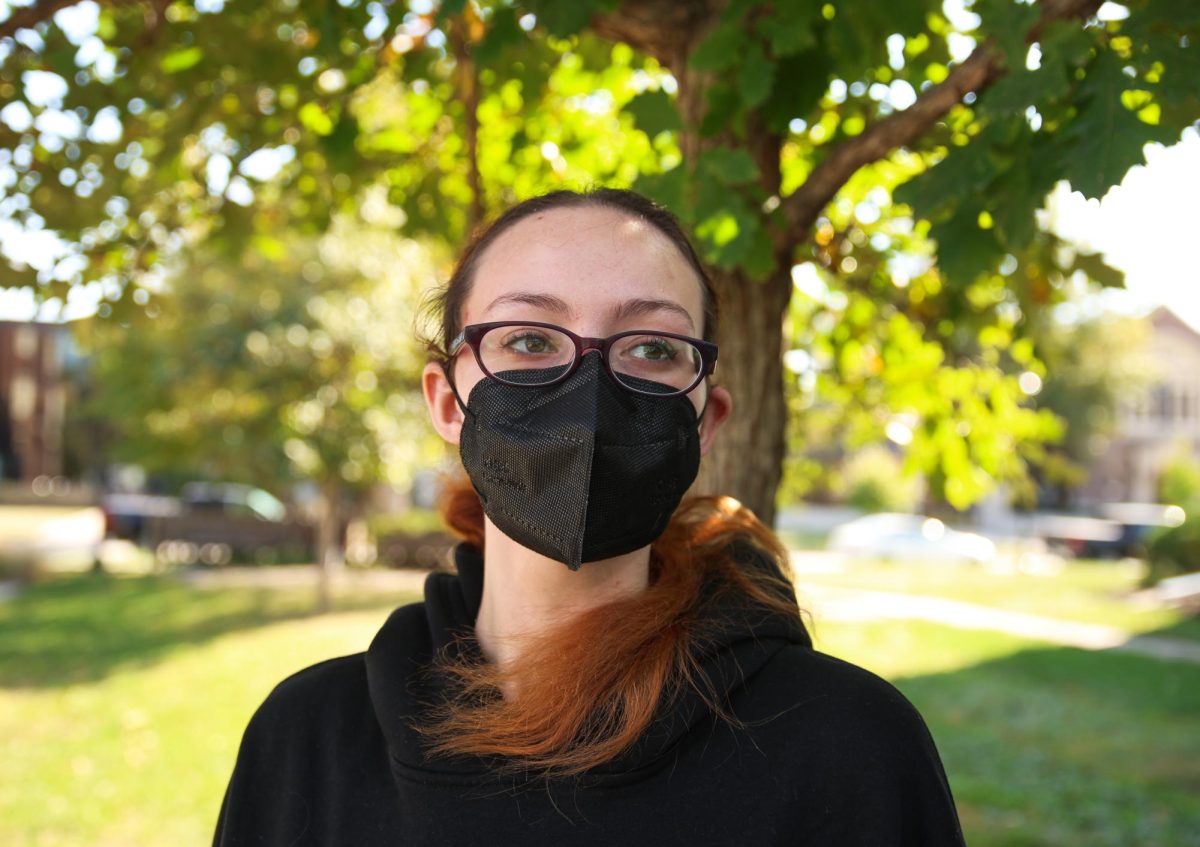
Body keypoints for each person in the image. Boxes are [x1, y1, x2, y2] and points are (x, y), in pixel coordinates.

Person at [213, 188, 967, 846]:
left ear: (706, 422)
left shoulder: (850, 745)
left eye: (651, 347)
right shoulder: (305, 739)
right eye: (530, 339)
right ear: (447, 401)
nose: (590, 389)